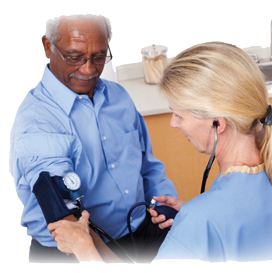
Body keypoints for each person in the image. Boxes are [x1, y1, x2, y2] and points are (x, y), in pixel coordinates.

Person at [48, 41, 272, 263]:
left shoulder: (201, 220)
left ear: (217, 123)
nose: (174, 124)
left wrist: (83, 248)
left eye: (179, 115)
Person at [9, 14, 177, 264]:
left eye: (98, 57)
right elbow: (66, 216)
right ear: (47, 46)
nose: (88, 69)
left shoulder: (118, 97)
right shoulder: (37, 122)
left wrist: (166, 211)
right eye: (75, 57)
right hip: (74, 252)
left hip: (143, 232)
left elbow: (148, 166)